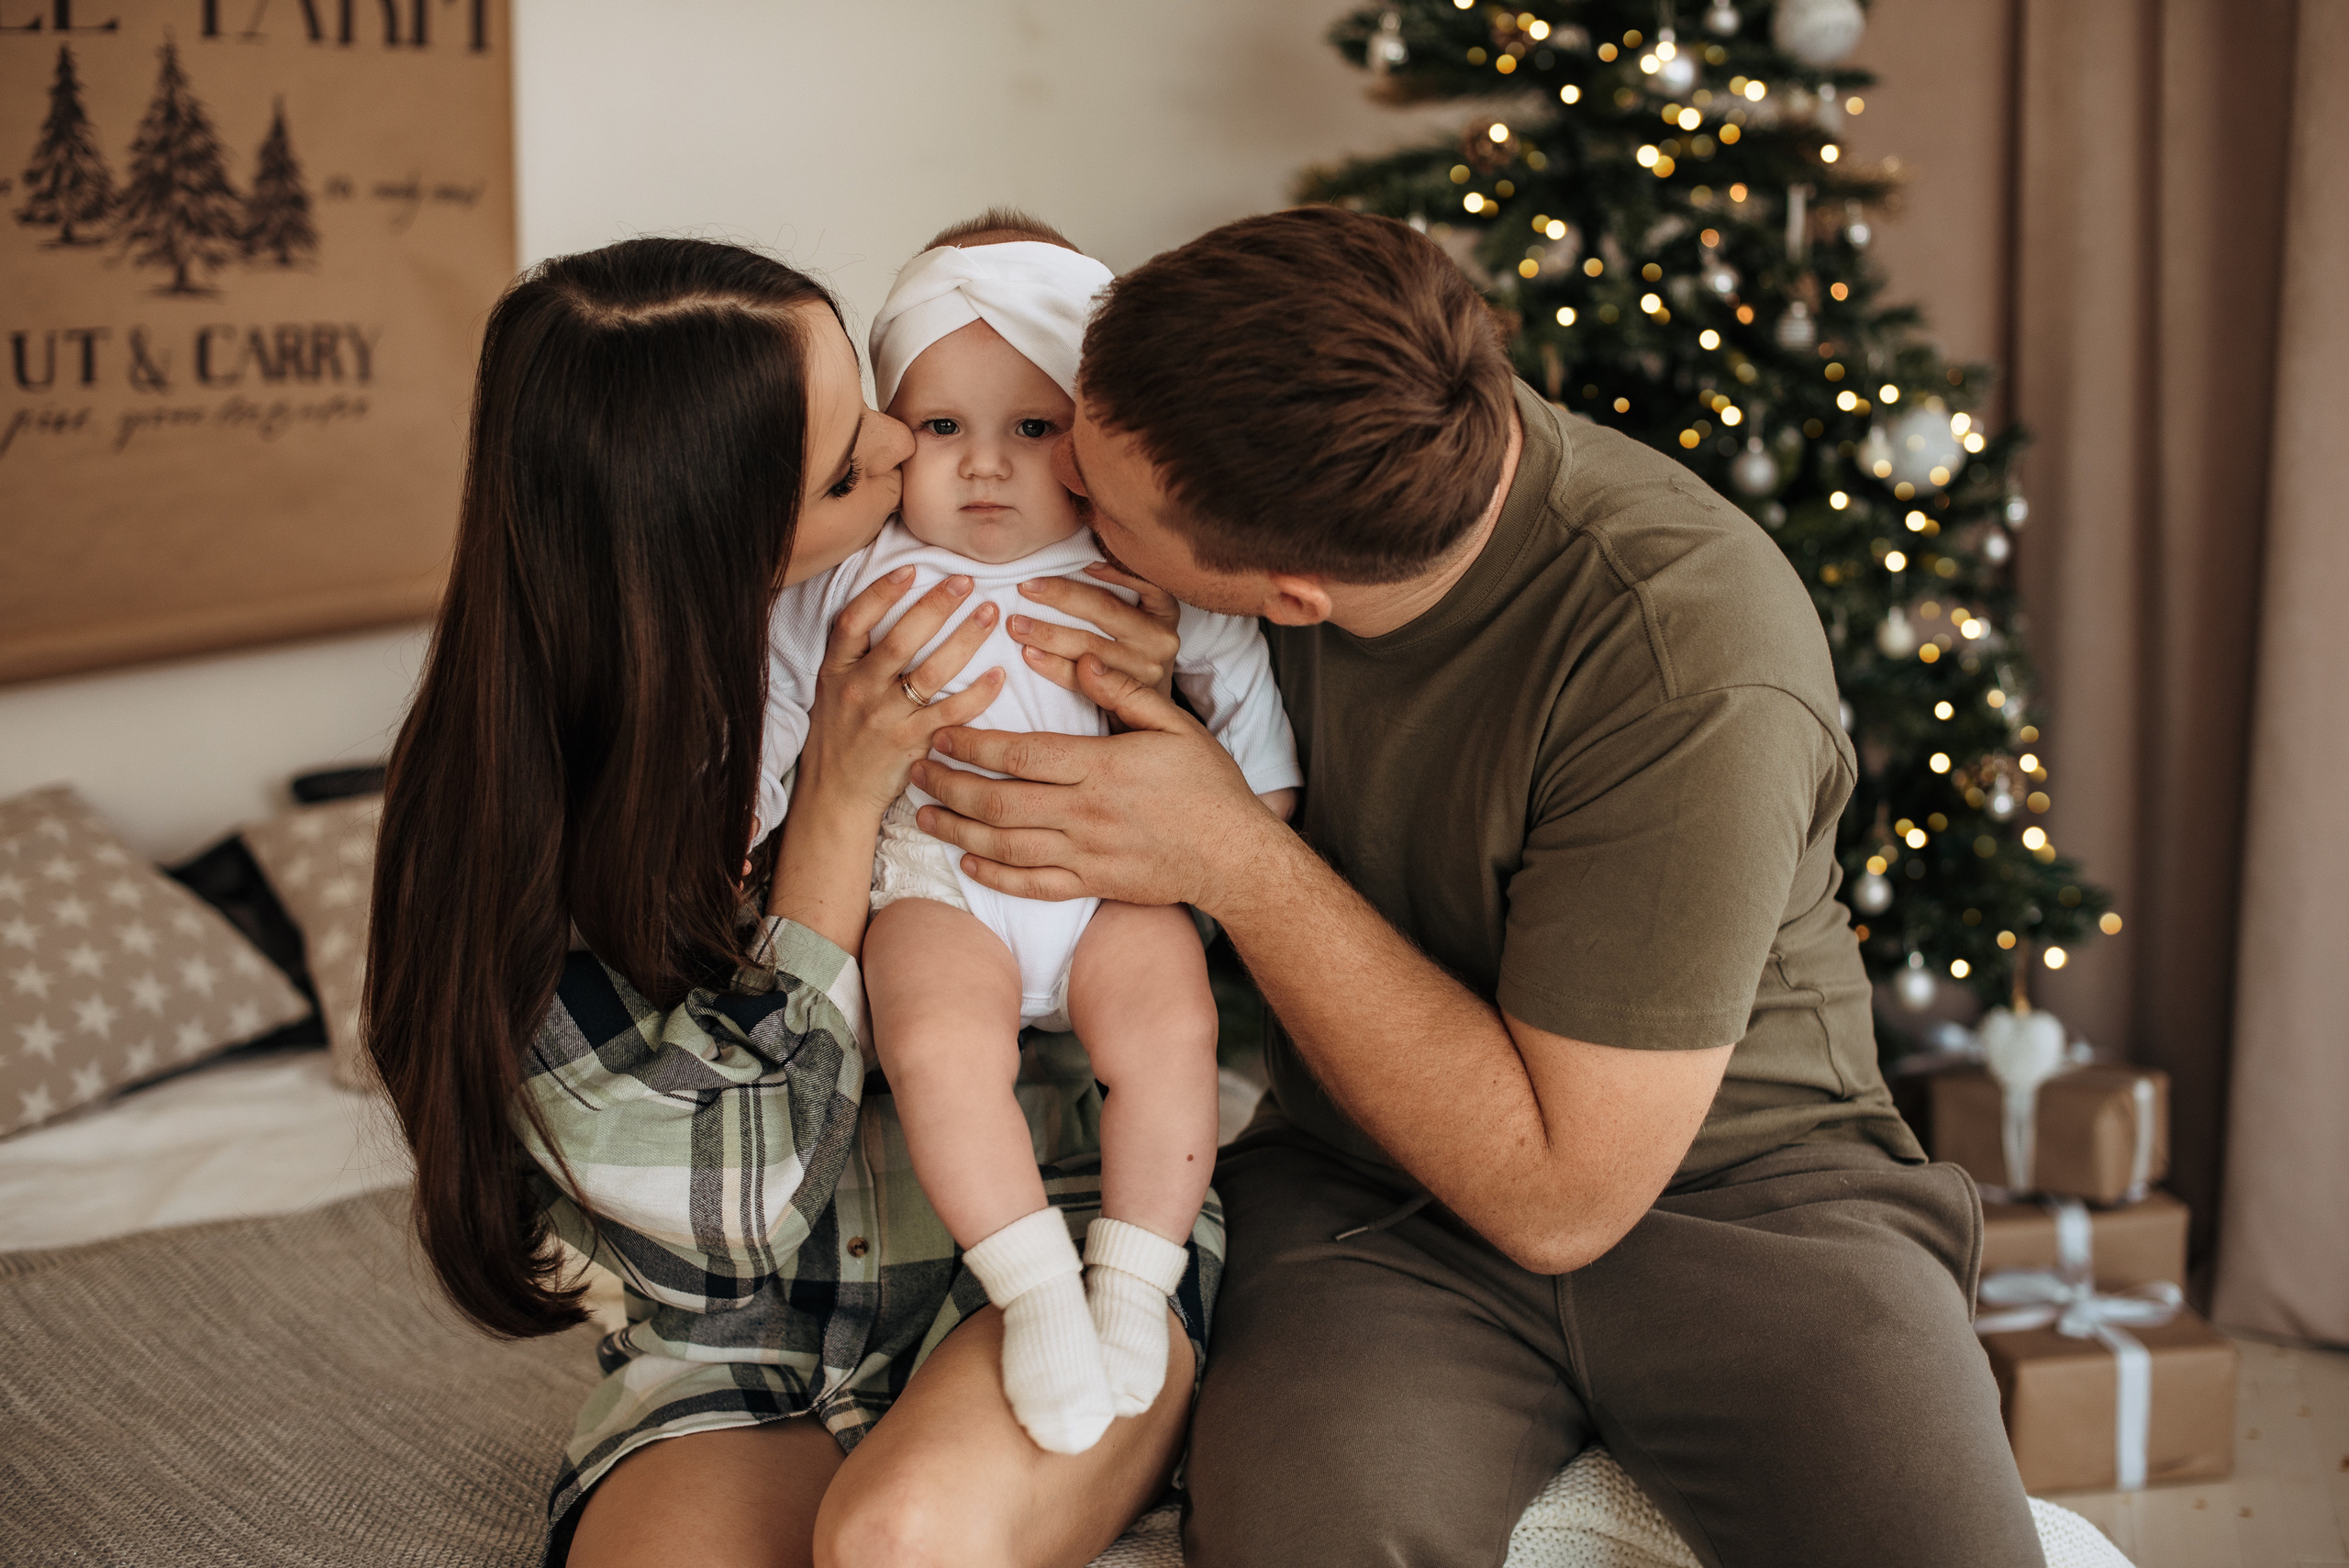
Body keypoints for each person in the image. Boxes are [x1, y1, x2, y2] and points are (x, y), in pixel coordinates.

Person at [909, 206, 2048, 1568]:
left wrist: (1234, 855)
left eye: (1097, 499)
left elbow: (1560, 1196)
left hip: (1755, 1192)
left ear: (1291, 596)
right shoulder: (1252, 498)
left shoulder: (1689, 659)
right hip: (1361, 1197)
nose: (1051, 492)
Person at [363, 236, 1219, 1568]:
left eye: (870, 405)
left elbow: (1170, 946)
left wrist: (1145, 711)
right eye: (847, 467)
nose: (903, 444)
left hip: (1063, 1230)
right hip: (738, 1322)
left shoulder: (977, 590)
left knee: (901, 1541)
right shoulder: (526, 821)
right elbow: (734, 1222)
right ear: (726, 542)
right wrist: (833, 804)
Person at [760, 213, 1297, 1454]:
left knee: (1174, 1035)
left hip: (1113, 880)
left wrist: (1257, 810)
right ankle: (1038, 1286)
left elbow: (1235, 676)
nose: (987, 468)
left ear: (1094, 436)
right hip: (937, 874)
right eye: (943, 428)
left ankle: (1135, 1277)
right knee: (939, 1046)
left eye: (1034, 429)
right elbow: (780, 697)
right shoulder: (855, 571)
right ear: (892, 428)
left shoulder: (1134, 564)